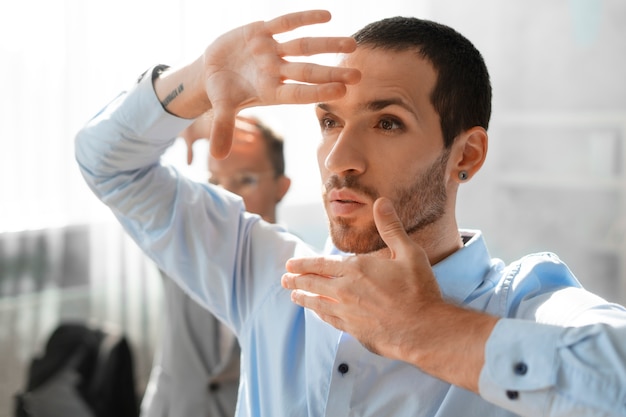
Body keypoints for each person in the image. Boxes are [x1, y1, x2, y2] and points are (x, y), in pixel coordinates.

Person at [75, 9, 626, 417]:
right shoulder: (272, 277)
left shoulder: (524, 303)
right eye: (329, 122)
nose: (339, 160)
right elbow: (108, 164)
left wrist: (428, 331)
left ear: (467, 155)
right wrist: (194, 81)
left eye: (387, 122)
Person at [140, 114, 291, 417]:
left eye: (245, 180)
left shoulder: (300, 276)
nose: (226, 198)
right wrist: (175, 114)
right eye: (214, 182)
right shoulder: (181, 247)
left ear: (281, 187)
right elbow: (117, 161)